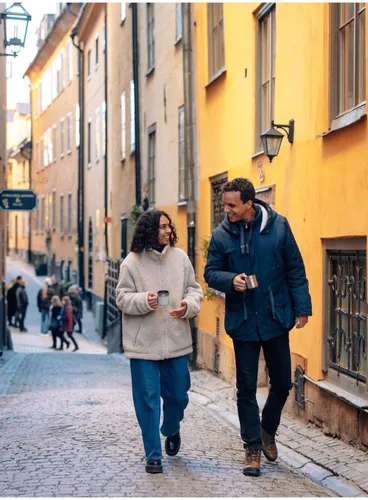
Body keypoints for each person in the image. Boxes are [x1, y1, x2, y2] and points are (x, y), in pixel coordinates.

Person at [204, 178, 312, 477]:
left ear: (249, 204)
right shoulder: (221, 235)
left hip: (276, 317)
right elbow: (211, 271)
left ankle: (267, 430)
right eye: (224, 204)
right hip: (243, 320)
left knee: (282, 383)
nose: (226, 210)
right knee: (246, 389)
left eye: (232, 205)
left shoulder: (278, 227)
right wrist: (231, 280)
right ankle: (252, 449)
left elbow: (295, 268)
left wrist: (302, 308)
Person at [116, 210, 203, 475]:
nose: (168, 231)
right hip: (143, 346)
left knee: (178, 395)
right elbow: (121, 297)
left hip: (176, 341)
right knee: (148, 400)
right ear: (150, 230)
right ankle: (153, 454)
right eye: (162, 227)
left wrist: (189, 305)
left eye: (169, 226)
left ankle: (171, 428)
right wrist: (144, 301)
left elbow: (194, 289)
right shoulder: (131, 263)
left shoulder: (180, 258)